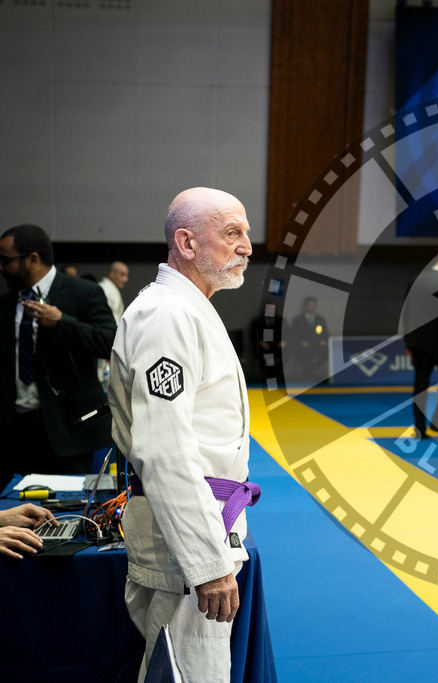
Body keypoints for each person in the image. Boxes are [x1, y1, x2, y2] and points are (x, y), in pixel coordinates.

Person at [109, 187, 257, 682]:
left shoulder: (191, 307)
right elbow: (165, 449)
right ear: (187, 243)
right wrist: (207, 562)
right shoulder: (167, 315)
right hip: (184, 545)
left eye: (247, 234)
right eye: (232, 233)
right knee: (189, 674)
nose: (247, 247)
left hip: (207, 520)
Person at [0, 224, 116, 485]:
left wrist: (63, 323)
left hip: (68, 433)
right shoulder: (6, 304)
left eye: (6, 260)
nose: (1, 267)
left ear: (32, 260)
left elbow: (111, 341)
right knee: (19, 512)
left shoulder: (82, 292)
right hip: (17, 434)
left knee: (70, 513)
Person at [402, 251, 438, 440]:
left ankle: (420, 429)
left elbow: (406, 312)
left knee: (420, 383)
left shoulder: (415, 280)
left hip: (417, 343)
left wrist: (408, 342)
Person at [98, 261, 129, 384]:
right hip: (105, 341)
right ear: (112, 273)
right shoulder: (104, 290)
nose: (125, 279)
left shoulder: (110, 290)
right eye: (122, 275)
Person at [291, 296, 330, 382]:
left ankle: (309, 371)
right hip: (303, 346)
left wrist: (323, 341)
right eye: (310, 305)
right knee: (303, 352)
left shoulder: (320, 319)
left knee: (325, 351)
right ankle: (310, 373)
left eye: (313, 305)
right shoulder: (298, 319)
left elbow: (326, 334)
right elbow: (294, 334)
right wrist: (301, 342)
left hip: (317, 345)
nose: (312, 307)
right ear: (306, 306)